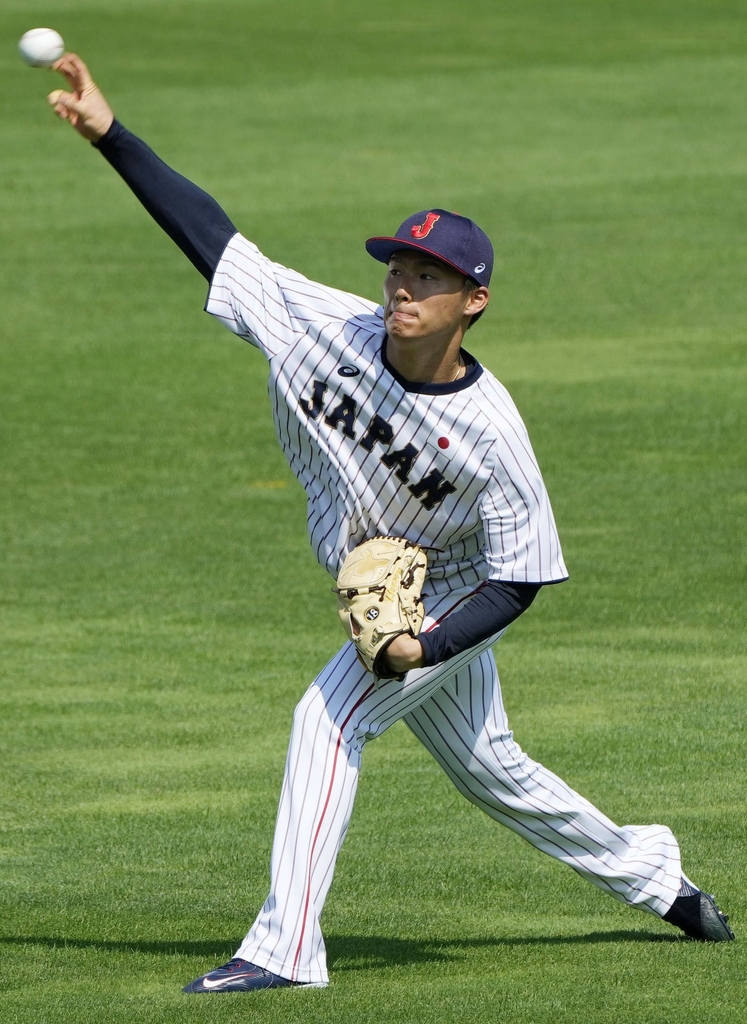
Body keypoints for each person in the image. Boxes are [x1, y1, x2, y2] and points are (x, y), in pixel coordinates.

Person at [46, 54, 734, 993]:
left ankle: (285, 951)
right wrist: (112, 137)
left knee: (325, 721)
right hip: (386, 590)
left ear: (473, 302)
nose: (402, 287)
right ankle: (656, 877)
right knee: (493, 770)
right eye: (399, 268)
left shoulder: (493, 437)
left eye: (429, 276)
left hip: (443, 600)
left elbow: (521, 574)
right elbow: (215, 241)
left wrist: (424, 644)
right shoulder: (323, 329)